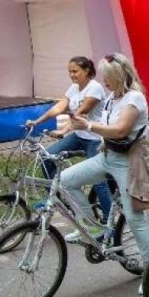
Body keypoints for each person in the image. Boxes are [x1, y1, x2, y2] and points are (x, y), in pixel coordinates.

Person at [61, 53, 149, 295]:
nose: (104, 82)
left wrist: (89, 126)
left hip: (127, 163)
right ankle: (95, 228)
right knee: (66, 180)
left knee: (134, 219)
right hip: (107, 157)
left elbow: (121, 130)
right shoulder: (113, 98)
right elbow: (108, 130)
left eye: (108, 77)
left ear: (119, 76)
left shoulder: (134, 98)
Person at [25, 57, 112, 223]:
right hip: (79, 136)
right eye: (69, 72)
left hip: (96, 139)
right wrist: (36, 122)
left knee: (98, 180)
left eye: (75, 71)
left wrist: (64, 130)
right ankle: (57, 199)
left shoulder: (95, 88)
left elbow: (81, 113)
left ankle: (108, 222)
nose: (71, 75)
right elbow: (58, 107)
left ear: (86, 71)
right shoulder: (74, 88)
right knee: (46, 158)